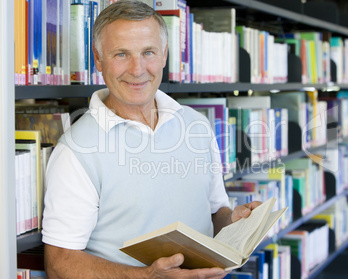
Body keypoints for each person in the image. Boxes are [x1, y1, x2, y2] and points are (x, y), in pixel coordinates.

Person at [42, 1, 261, 278]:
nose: (137, 69)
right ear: (98, 59)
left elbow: (214, 214)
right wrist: (147, 276)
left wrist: (235, 222)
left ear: (165, 54)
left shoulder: (197, 126)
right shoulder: (76, 150)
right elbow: (60, 263)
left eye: (148, 52)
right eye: (121, 54)